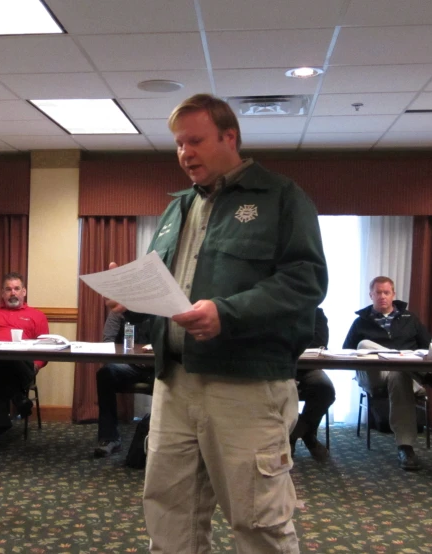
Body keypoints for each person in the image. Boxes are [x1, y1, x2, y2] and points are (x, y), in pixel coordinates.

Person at [109, 94, 328, 553]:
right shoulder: (177, 208)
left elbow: (305, 282)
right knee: (171, 518)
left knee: (257, 520)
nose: (184, 153)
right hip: (174, 384)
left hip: (247, 385)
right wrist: (134, 300)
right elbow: (170, 288)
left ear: (230, 137)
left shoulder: (281, 197)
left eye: (195, 140)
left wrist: (226, 313)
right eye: (177, 143)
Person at [343, 275, 432, 471]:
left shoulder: (410, 319)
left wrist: (402, 362)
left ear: (393, 295)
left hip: (404, 376)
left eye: (386, 292)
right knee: (364, 344)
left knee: (398, 374)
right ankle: (427, 378)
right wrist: (393, 356)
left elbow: (429, 348)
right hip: (373, 375)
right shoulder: (360, 322)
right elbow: (347, 352)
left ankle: (405, 448)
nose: (382, 296)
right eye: (378, 293)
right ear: (371, 295)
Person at [0, 272, 49, 463]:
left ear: (24, 292)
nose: (13, 293)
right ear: (2, 293)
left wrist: (36, 367)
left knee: (6, 355)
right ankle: (17, 397)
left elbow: (46, 349)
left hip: (21, 368)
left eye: (16, 288)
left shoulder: (36, 316)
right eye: (8, 289)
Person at [94, 311, 153, 457]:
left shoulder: (159, 309)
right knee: (105, 374)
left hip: (157, 367)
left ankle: (163, 436)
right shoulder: (119, 311)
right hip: (129, 366)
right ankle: (109, 438)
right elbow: (108, 342)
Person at [290, 307, 335, 463]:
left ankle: (296, 433)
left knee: (325, 389)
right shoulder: (274, 309)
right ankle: (309, 436)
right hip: (281, 368)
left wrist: (291, 344)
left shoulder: (316, 313)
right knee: (283, 390)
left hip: (309, 367)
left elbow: (320, 343)